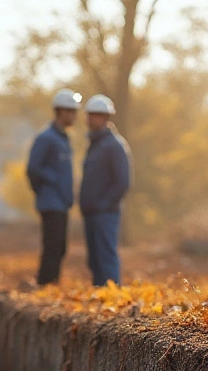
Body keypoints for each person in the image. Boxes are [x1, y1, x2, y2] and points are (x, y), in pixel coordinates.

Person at [26, 88, 80, 285]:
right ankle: (45, 284)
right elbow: (33, 168)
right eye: (72, 111)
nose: (74, 115)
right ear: (61, 111)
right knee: (53, 246)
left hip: (62, 203)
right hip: (51, 202)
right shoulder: (46, 138)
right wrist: (49, 187)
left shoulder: (63, 139)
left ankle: (52, 283)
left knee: (60, 247)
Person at [78, 94, 131, 287]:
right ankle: (99, 296)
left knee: (106, 256)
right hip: (91, 213)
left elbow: (123, 182)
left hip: (105, 213)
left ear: (105, 117)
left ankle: (111, 296)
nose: (90, 119)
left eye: (95, 115)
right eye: (89, 115)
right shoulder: (95, 145)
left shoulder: (115, 146)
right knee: (94, 260)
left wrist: (104, 205)